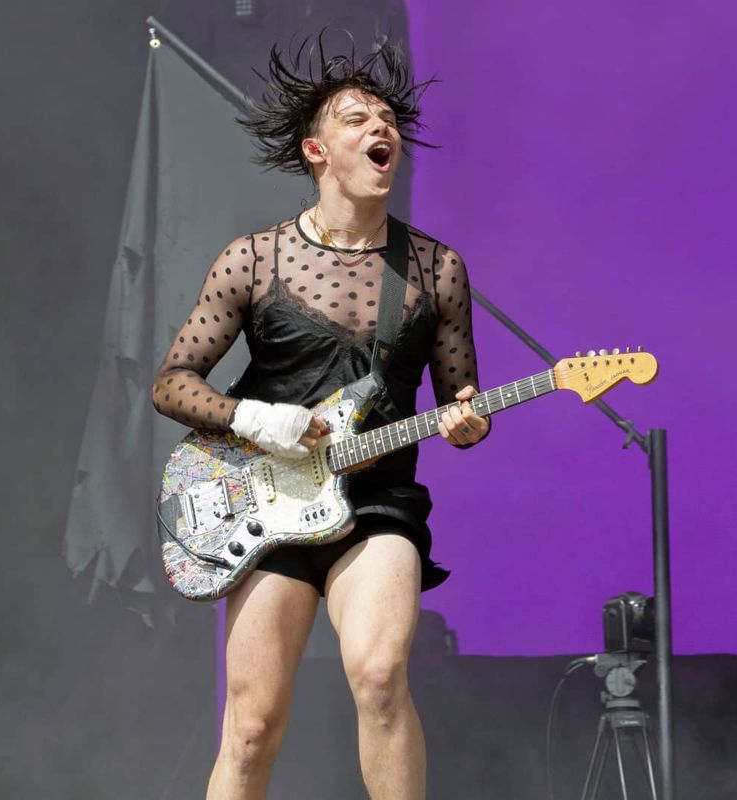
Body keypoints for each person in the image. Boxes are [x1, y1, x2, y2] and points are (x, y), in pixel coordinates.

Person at [151, 35, 490, 800]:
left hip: (377, 504)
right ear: (317, 150)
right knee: (250, 726)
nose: (381, 128)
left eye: (388, 120)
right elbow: (171, 385)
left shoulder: (436, 269)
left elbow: (460, 398)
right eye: (358, 119)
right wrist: (256, 419)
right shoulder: (253, 259)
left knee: (379, 675)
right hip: (268, 502)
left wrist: (469, 421)